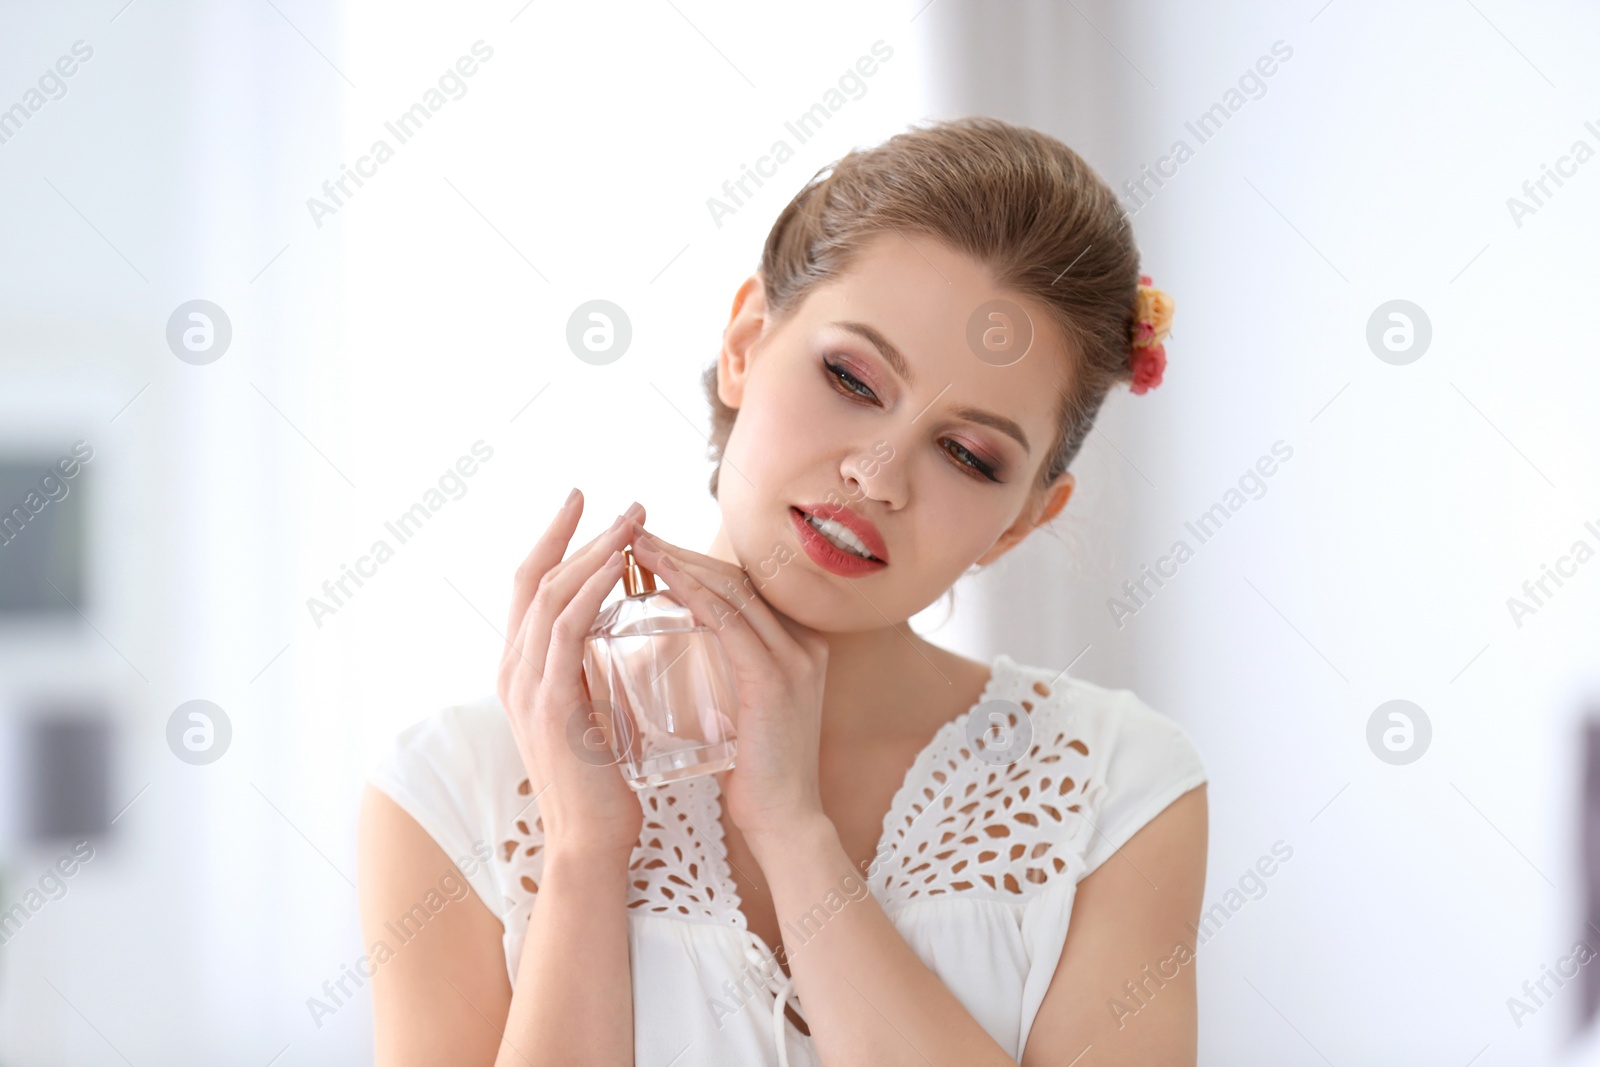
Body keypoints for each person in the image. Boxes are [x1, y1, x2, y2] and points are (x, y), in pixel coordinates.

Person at [358, 115, 1207, 1066]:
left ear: (1021, 522)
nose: (880, 474)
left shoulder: (1114, 783)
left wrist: (794, 835)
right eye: (850, 377)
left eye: (969, 454)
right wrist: (585, 859)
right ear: (747, 342)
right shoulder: (452, 783)